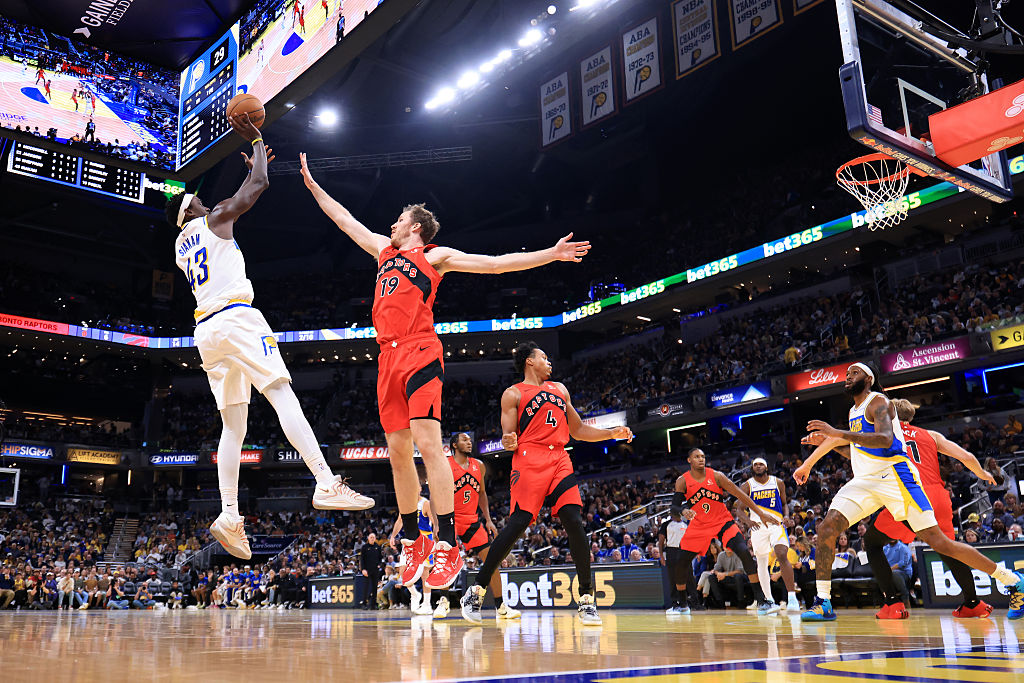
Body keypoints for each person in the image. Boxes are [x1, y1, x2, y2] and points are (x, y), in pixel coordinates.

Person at [299, 155, 590, 591]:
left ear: (415, 226)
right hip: (386, 357)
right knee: (398, 452)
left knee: (428, 446)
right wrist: (312, 185)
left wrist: (551, 254)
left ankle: (448, 545)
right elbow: (345, 221)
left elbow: (496, 264)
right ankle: (415, 539)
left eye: (399, 220)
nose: (392, 225)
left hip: (420, 350)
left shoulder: (437, 256)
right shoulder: (384, 251)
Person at [164, 115, 372, 560]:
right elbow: (257, 187)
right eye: (197, 200)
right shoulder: (213, 220)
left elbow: (242, 190)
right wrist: (257, 142)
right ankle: (324, 480)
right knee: (281, 393)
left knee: (234, 427)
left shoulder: (183, 247)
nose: (205, 201)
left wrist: (252, 165)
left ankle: (229, 515)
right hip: (237, 319)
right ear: (191, 213)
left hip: (207, 330)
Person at [795, 362, 1024, 621]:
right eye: (846, 374)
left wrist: (837, 434)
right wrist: (808, 463)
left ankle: (1013, 580)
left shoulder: (878, 402)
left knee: (941, 544)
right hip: (866, 481)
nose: (848, 377)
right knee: (827, 528)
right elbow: (846, 443)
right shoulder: (853, 411)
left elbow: (885, 440)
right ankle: (823, 602)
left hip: (896, 478)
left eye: (854, 373)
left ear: (869, 379)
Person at [460, 342, 633, 625]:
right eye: (544, 357)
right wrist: (507, 440)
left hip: (559, 458)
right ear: (530, 361)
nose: (549, 362)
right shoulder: (513, 393)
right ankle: (477, 591)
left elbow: (577, 430)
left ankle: (587, 599)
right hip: (529, 458)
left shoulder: (560, 389)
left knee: (575, 521)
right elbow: (507, 433)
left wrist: (610, 433)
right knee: (518, 523)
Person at [670, 447, 778, 615]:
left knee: (744, 552)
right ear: (689, 460)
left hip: (722, 521)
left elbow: (741, 495)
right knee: (681, 562)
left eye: (703, 456)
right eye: (697, 456)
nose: (701, 459)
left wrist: (760, 513)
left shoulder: (717, 476)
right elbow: (674, 507)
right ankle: (682, 604)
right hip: (699, 525)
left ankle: (762, 600)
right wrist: (683, 511)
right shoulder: (682, 481)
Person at [445, 431, 516, 620]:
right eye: (464, 440)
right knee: (445, 562)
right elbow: (436, 496)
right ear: (454, 445)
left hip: (472, 520)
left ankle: (501, 607)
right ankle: (441, 602)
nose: (469, 442)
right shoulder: (445, 465)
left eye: (470, 440)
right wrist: (437, 522)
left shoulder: (480, 466)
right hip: (451, 519)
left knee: (492, 561)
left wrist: (489, 519)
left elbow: (482, 494)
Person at [738, 457, 799, 614]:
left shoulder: (777, 482)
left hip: (775, 524)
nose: (758, 466)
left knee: (781, 553)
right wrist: (747, 522)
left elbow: (784, 504)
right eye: (755, 465)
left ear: (766, 467)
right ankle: (769, 600)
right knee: (762, 562)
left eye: (761, 464)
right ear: (752, 468)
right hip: (758, 527)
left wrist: (786, 516)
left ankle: (792, 598)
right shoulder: (747, 486)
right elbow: (739, 510)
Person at [389, 487, 437, 616]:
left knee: (424, 572)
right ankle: (415, 594)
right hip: (410, 541)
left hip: (424, 540)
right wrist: (393, 536)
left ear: (419, 489)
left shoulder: (425, 503)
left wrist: (437, 537)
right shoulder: (405, 503)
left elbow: (434, 521)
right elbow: (400, 521)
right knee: (403, 572)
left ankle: (427, 604)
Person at [359, 533, 383, 610]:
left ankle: (373, 604)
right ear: (368, 538)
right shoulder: (364, 547)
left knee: (374, 588)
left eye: (373, 537)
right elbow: (362, 559)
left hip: (375, 570)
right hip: (367, 570)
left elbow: (380, 558)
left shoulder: (377, 547)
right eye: (371, 537)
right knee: (366, 587)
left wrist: (379, 564)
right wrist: (363, 569)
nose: (372, 538)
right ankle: (364, 603)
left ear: (375, 538)